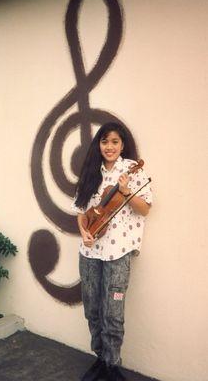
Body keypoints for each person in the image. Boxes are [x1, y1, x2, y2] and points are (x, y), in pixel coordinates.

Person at [72, 121, 152, 381]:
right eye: (105, 141)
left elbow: (146, 208)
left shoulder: (131, 170)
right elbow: (82, 212)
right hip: (90, 252)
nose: (109, 147)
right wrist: (84, 231)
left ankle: (113, 365)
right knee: (92, 310)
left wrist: (127, 193)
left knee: (112, 313)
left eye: (115, 142)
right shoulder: (90, 172)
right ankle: (100, 358)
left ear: (122, 144)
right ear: (99, 144)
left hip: (118, 253)